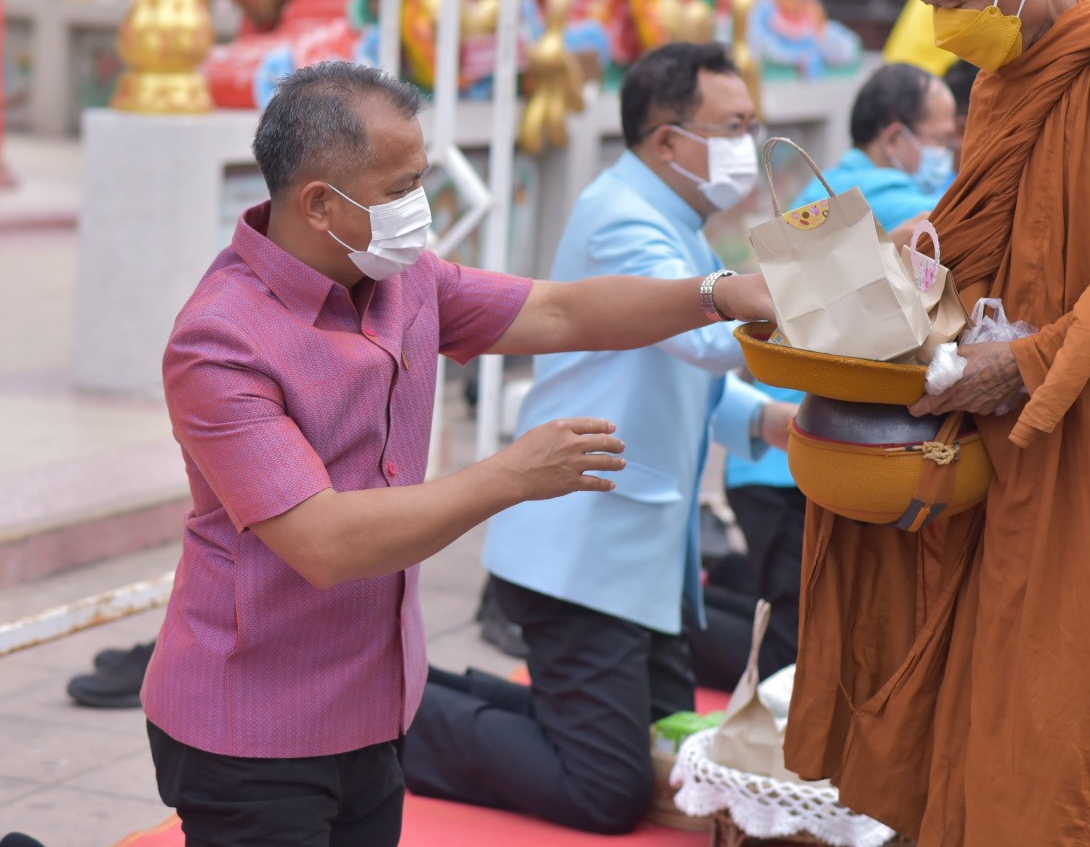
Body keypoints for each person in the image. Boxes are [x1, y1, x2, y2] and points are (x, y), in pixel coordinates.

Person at [139, 60, 776, 846]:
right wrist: (510, 476)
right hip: (252, 723)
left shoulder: (405, 279)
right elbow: (324, 541)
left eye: (422, 181)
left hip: (374, 704)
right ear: (318, 204)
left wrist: (715, 295)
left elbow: (560, 309)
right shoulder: (221, 340)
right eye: (400, 189)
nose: (421, 210)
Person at [786, 0, 1090, 847]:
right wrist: (887, 264)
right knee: (993, 716)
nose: (941, 29)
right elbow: (979, 235)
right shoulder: (1003, 78)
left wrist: (1027, 363)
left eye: (948, 3)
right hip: (1011, 452)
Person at [396, 43, 797, 835]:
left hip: (638, 557)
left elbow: (691, 380)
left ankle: (413, 691)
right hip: (580, 553)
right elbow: (707, 340)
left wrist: (766, 421)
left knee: (669, 761)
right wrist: (828, 288)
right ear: (667, 140)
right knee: (606, 789)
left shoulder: (679, 223)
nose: (749, 142)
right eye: (734, 125)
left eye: (755, 124)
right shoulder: (622, 217)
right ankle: (392, 727)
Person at [724, 61, 959, 677]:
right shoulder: (892, 198)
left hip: (799, 456)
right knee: (799, 648)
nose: (948, 153)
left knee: (804, 629)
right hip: (805, 462)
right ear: (894, 137)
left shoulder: (834, 190)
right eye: (941, 140)